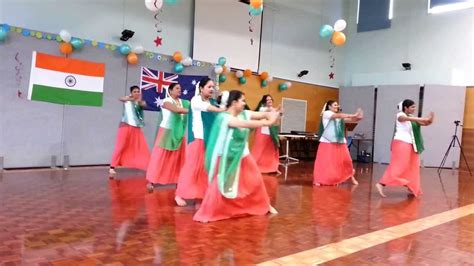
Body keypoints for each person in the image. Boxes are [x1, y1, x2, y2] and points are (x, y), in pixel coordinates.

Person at [193, 90, 279, 223]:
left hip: (243, 155)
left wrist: (272, 113)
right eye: (242, 101)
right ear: (234, 102)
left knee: (256, 181)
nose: (245, 103)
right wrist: (268, 122)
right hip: (226, 158)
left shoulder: (245, 113)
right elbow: (245, 124)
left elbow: (263, 113)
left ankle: (264, 205)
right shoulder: (225, 118)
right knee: (221, 185)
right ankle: (209, 212)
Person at [174, 77, 224, 206]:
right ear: (201, 88)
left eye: (213, 87)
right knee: (191, 167)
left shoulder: (213, 102)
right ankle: (179, 194)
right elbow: (206, 107)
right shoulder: (196, 100)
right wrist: (219, 109)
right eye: (209, 87)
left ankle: (201, 195)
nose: (212, 89)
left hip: (208, 140)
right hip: (197, 139)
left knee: (205, 169)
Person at [376, 99, 434, 197]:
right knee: (399, 165)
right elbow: (404, 119)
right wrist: (421, 119)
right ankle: (381, 184)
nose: (414, 109)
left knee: (413, 166)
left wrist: (429, 120)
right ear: (405, 108)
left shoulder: (412, 117)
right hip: (401, 143)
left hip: (411, 145)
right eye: (412, 107)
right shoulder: (400, 115)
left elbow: (424, 123)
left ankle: (412, 187)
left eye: (414, 107)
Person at [146, 83, 189, 190]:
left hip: (178, 133)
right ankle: (151, 180)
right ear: (170, 91)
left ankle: (178, 180)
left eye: (180, 88)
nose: (180, 90)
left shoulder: (184, 102)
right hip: (166, 132)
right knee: (160, 156)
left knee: (178, 158)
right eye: (177, 88)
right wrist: (192, 110)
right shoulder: (166, 101)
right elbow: (176, 110)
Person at [313, 100, 363, 186]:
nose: (337, 106)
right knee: (324, 161)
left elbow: (351, 119)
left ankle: (350, 176)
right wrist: (353, 115)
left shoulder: (339, 117)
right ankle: (318, 179)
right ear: (329, 107)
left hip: (339, 142)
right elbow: (338, 115)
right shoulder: (327, 113)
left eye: (337, 105)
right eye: (335, 105)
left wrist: (358, 117)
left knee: (346, 160)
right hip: (327, 141)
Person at [109, 85, 150, 177]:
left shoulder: (140, 101)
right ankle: (112, 167)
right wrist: (132, 98)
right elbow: (120, 98)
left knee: (140, 146)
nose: (136, 93)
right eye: (134, 91)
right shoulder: (127, 99)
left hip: (136, 127)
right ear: (131, 93)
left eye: (138, 91)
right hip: (125, 125)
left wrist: (139, 101)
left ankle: (147, 166)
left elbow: (144, 104)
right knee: (120, 146)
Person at [251, 94, 282, 174]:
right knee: (258, 150)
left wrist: (280, 113)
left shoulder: (273, 109)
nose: (270, 101)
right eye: (268, 100)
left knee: (272, 151)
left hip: (271, 133)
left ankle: (273, 168)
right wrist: (277, 109)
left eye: (271, 99)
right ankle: (252, 167)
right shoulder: (262, 109)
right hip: (262, 132)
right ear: (265, 101)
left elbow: (278, 119)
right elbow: (268, 111)